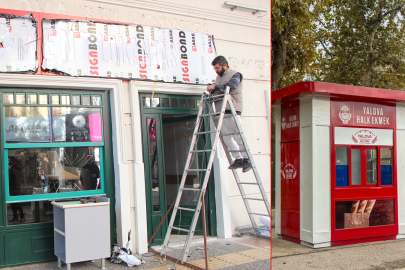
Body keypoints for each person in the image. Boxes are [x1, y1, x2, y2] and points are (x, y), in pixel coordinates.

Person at [206, 55, 251, 173]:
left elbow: (232, 86)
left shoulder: (236, 75)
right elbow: (219, 89)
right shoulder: (218, 78)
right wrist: (212, 91)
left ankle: (247, 159)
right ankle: (238, 159)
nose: (216, 70)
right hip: (222, 110)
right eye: (214, 68)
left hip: (233, 109)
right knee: (226, 136)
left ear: (224, 65)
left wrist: (215, 87)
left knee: (237, 135)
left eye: (217, 68)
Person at [8, 156, 25, 222]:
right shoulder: (13, 168)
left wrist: (18, 188)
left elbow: (18, 179)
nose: (9, 161)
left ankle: (22, 216)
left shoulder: (16, 168)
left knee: (17, 203)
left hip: (15, 188)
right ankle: (15, 216)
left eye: (10, 160)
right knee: (13, 204)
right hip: (12, 188)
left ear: (13, 160)